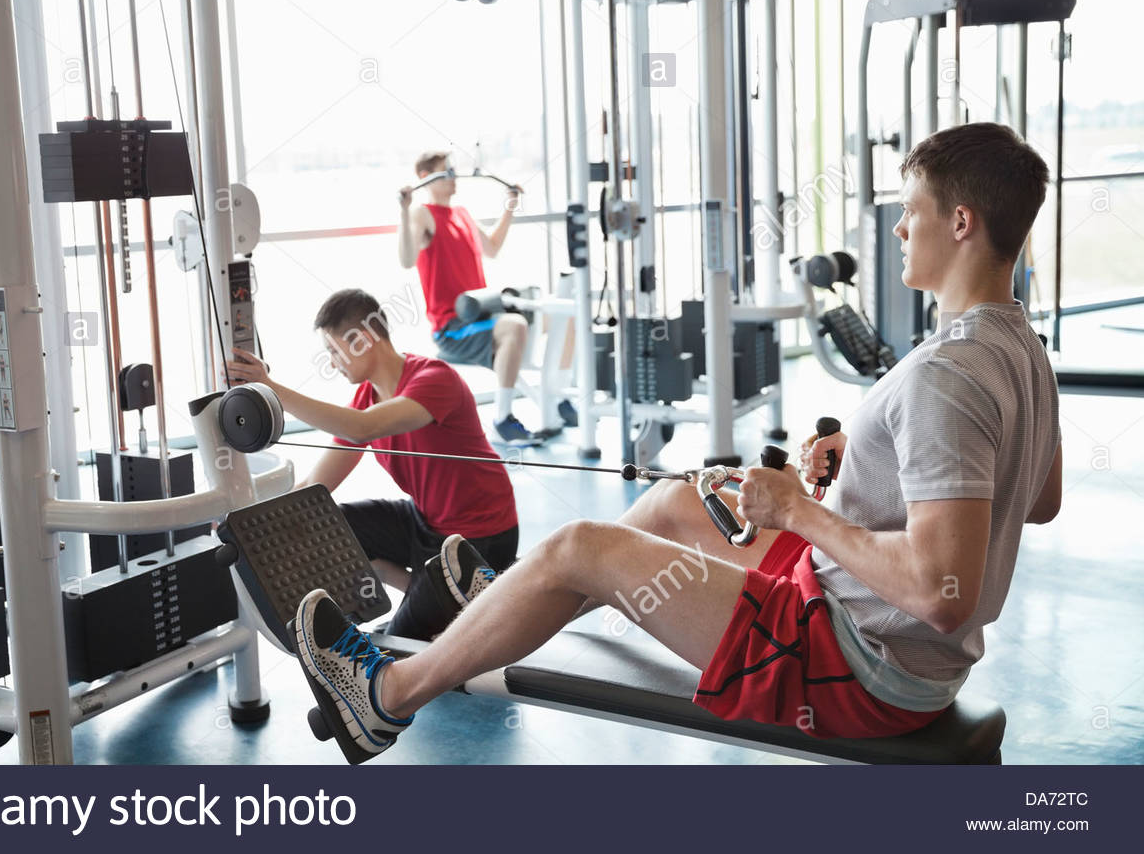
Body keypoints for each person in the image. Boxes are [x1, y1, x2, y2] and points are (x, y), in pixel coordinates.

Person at [293, 122, 1063, 762]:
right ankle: (504, 605)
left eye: (912, 209)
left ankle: (383, 698)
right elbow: (1042, 497)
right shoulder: (1018, 346)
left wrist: (801, 511)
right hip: (870, 624)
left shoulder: (945, 376)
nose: (897, 227)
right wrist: (872, 473)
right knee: (668, 501)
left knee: (576, 547)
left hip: (854, 666)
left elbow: (938, 591)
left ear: (961, 222)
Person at [225, 288, 518, 640]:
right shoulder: (367, 398)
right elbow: (314, 489)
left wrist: (269, 388)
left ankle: (441, 597)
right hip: (425, 523)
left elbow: (365, 426)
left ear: (362, 341)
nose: (332, 363)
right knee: (327, 521)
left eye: (334, 350)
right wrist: (246, 525)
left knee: (399, 647)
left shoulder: (434, 380)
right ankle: (418, 588)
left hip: (478, 539)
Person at [397, 151, 576, 443]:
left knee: (566, 319)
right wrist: (404, 211)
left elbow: (491, 248)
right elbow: (406, 259)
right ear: (425, 178)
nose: (454, 177)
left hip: (483, 314)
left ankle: (559, 398)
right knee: (515, 325)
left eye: (454, 170)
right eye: (446, 171)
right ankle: (503, 419)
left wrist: (510, 207)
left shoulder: (462, 213)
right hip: (452, 327)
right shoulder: (422, 214)